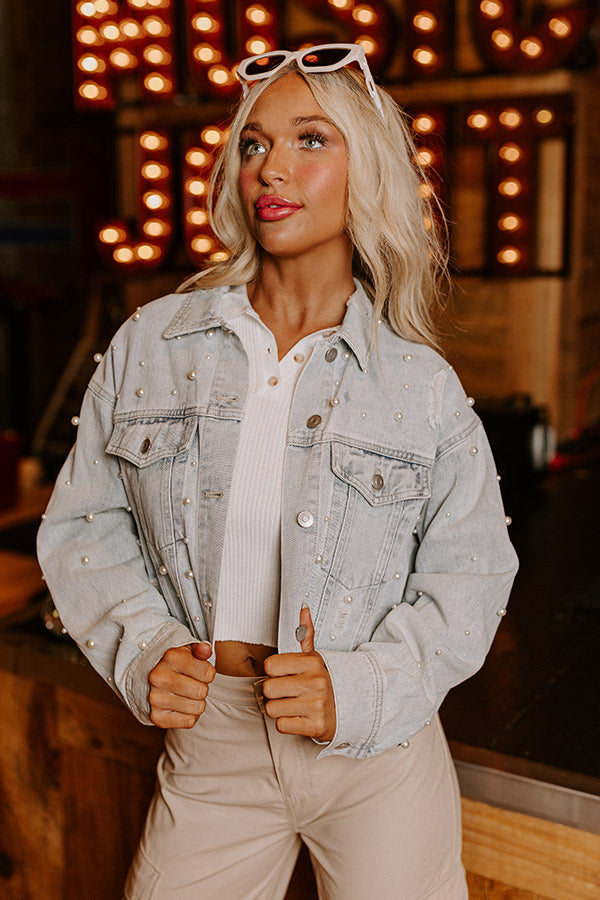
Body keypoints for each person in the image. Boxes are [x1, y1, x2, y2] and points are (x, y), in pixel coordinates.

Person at [38, 44, 518, 900]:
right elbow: (85, 522)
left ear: (363, 167)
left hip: (378, 751)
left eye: (310, 140)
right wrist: (142, 644)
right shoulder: (154, 343)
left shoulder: (418, 386)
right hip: (212, 741)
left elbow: (472, 573)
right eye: (254, 144)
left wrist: (365, 688)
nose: (273, 168)